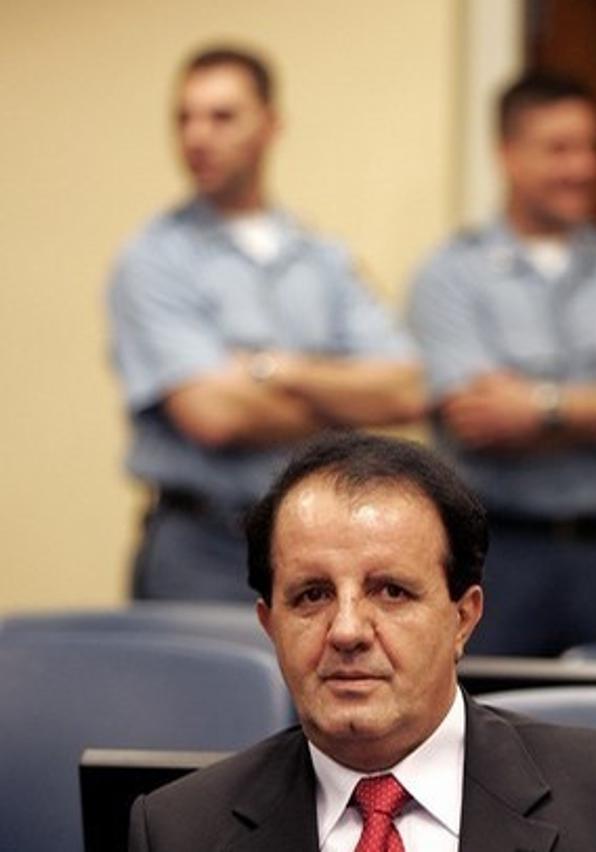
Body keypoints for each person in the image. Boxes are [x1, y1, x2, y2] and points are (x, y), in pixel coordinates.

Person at [127, 432, 596, 851]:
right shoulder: (179, 830)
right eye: (312, 596)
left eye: (391, 592)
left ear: (463, 618)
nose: (348, 631)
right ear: (269, 625)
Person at [108, 46, 425, 602]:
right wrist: (345, 403)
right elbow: (215, 415)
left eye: (222, 116)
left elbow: (408, 389)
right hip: (203, 547)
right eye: (185, 118)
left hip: (320, 550)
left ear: (271, 124)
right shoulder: (153, 258)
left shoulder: (322, 258)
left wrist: (271, 368)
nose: (197, 136)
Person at [407, 71, 596, 655]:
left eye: (592, 147)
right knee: (492, 733)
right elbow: (477, 419)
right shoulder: (451, 273)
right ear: (509, 155)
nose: (584, 166)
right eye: (560, 149)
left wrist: (542, 406)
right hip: (495, 559)